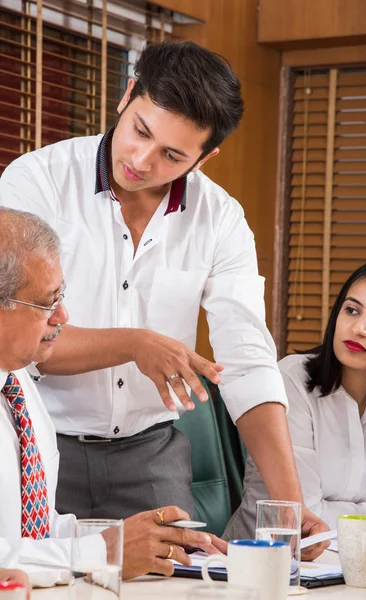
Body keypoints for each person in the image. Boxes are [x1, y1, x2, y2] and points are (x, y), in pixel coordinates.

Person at [0, 41, 326, 552]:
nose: (140, 160)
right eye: (140, 130)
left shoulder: (220, 219)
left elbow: (247, 360)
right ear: (128, 94)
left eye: (172, 155)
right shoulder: (36, 181)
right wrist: (135, 342)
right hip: (37, 441)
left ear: (205, 156)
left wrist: (289, 506)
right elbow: (16, 336)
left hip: (150, 453)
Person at [0, 207, 225, 587]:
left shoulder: (18, 386)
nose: (63, 316)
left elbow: (35, 530)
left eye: (62, 296)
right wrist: (102, 552)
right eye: (47, 302)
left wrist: (136, 539)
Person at [225, 259, 366, 539]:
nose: (359, 329)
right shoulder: (289, 381)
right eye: (351, 310)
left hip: (352, 562)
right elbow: (305, 515)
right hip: (264, 558)